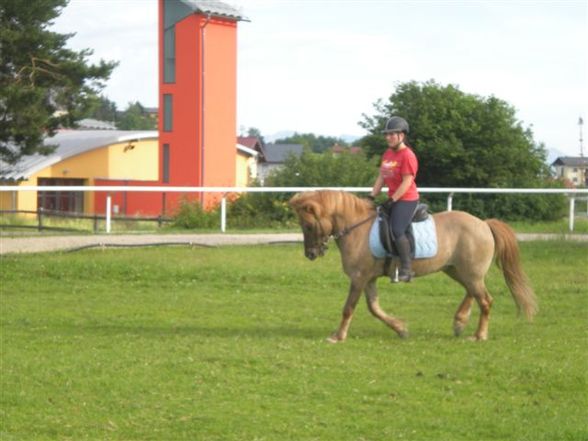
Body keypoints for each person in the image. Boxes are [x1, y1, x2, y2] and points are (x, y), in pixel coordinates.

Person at [369, 116, 419, 282]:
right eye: (387, 134)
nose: (388, 137)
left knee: (397, 229)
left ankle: (407, 269)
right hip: (393, 198)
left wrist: (393, 199)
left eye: (392, 134)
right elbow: (381, 178)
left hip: (407, 199)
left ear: (402, 136)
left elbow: (407, 182)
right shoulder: (388, 153)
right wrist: (371, 196)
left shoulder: (408, 156)